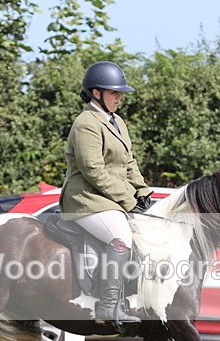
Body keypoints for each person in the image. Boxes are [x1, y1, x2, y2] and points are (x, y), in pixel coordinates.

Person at [59, 61, 152, 327]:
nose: (120, 96)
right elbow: (93, 170)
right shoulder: (86, 123)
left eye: (120, 92)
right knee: (120, 237)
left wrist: (144, 192)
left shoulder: (117, 122)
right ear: (96, 93)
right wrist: (128, 200)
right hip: (86, 199)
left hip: (108, 199)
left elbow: (128, 162)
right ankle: (108, 306)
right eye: (115, 92)